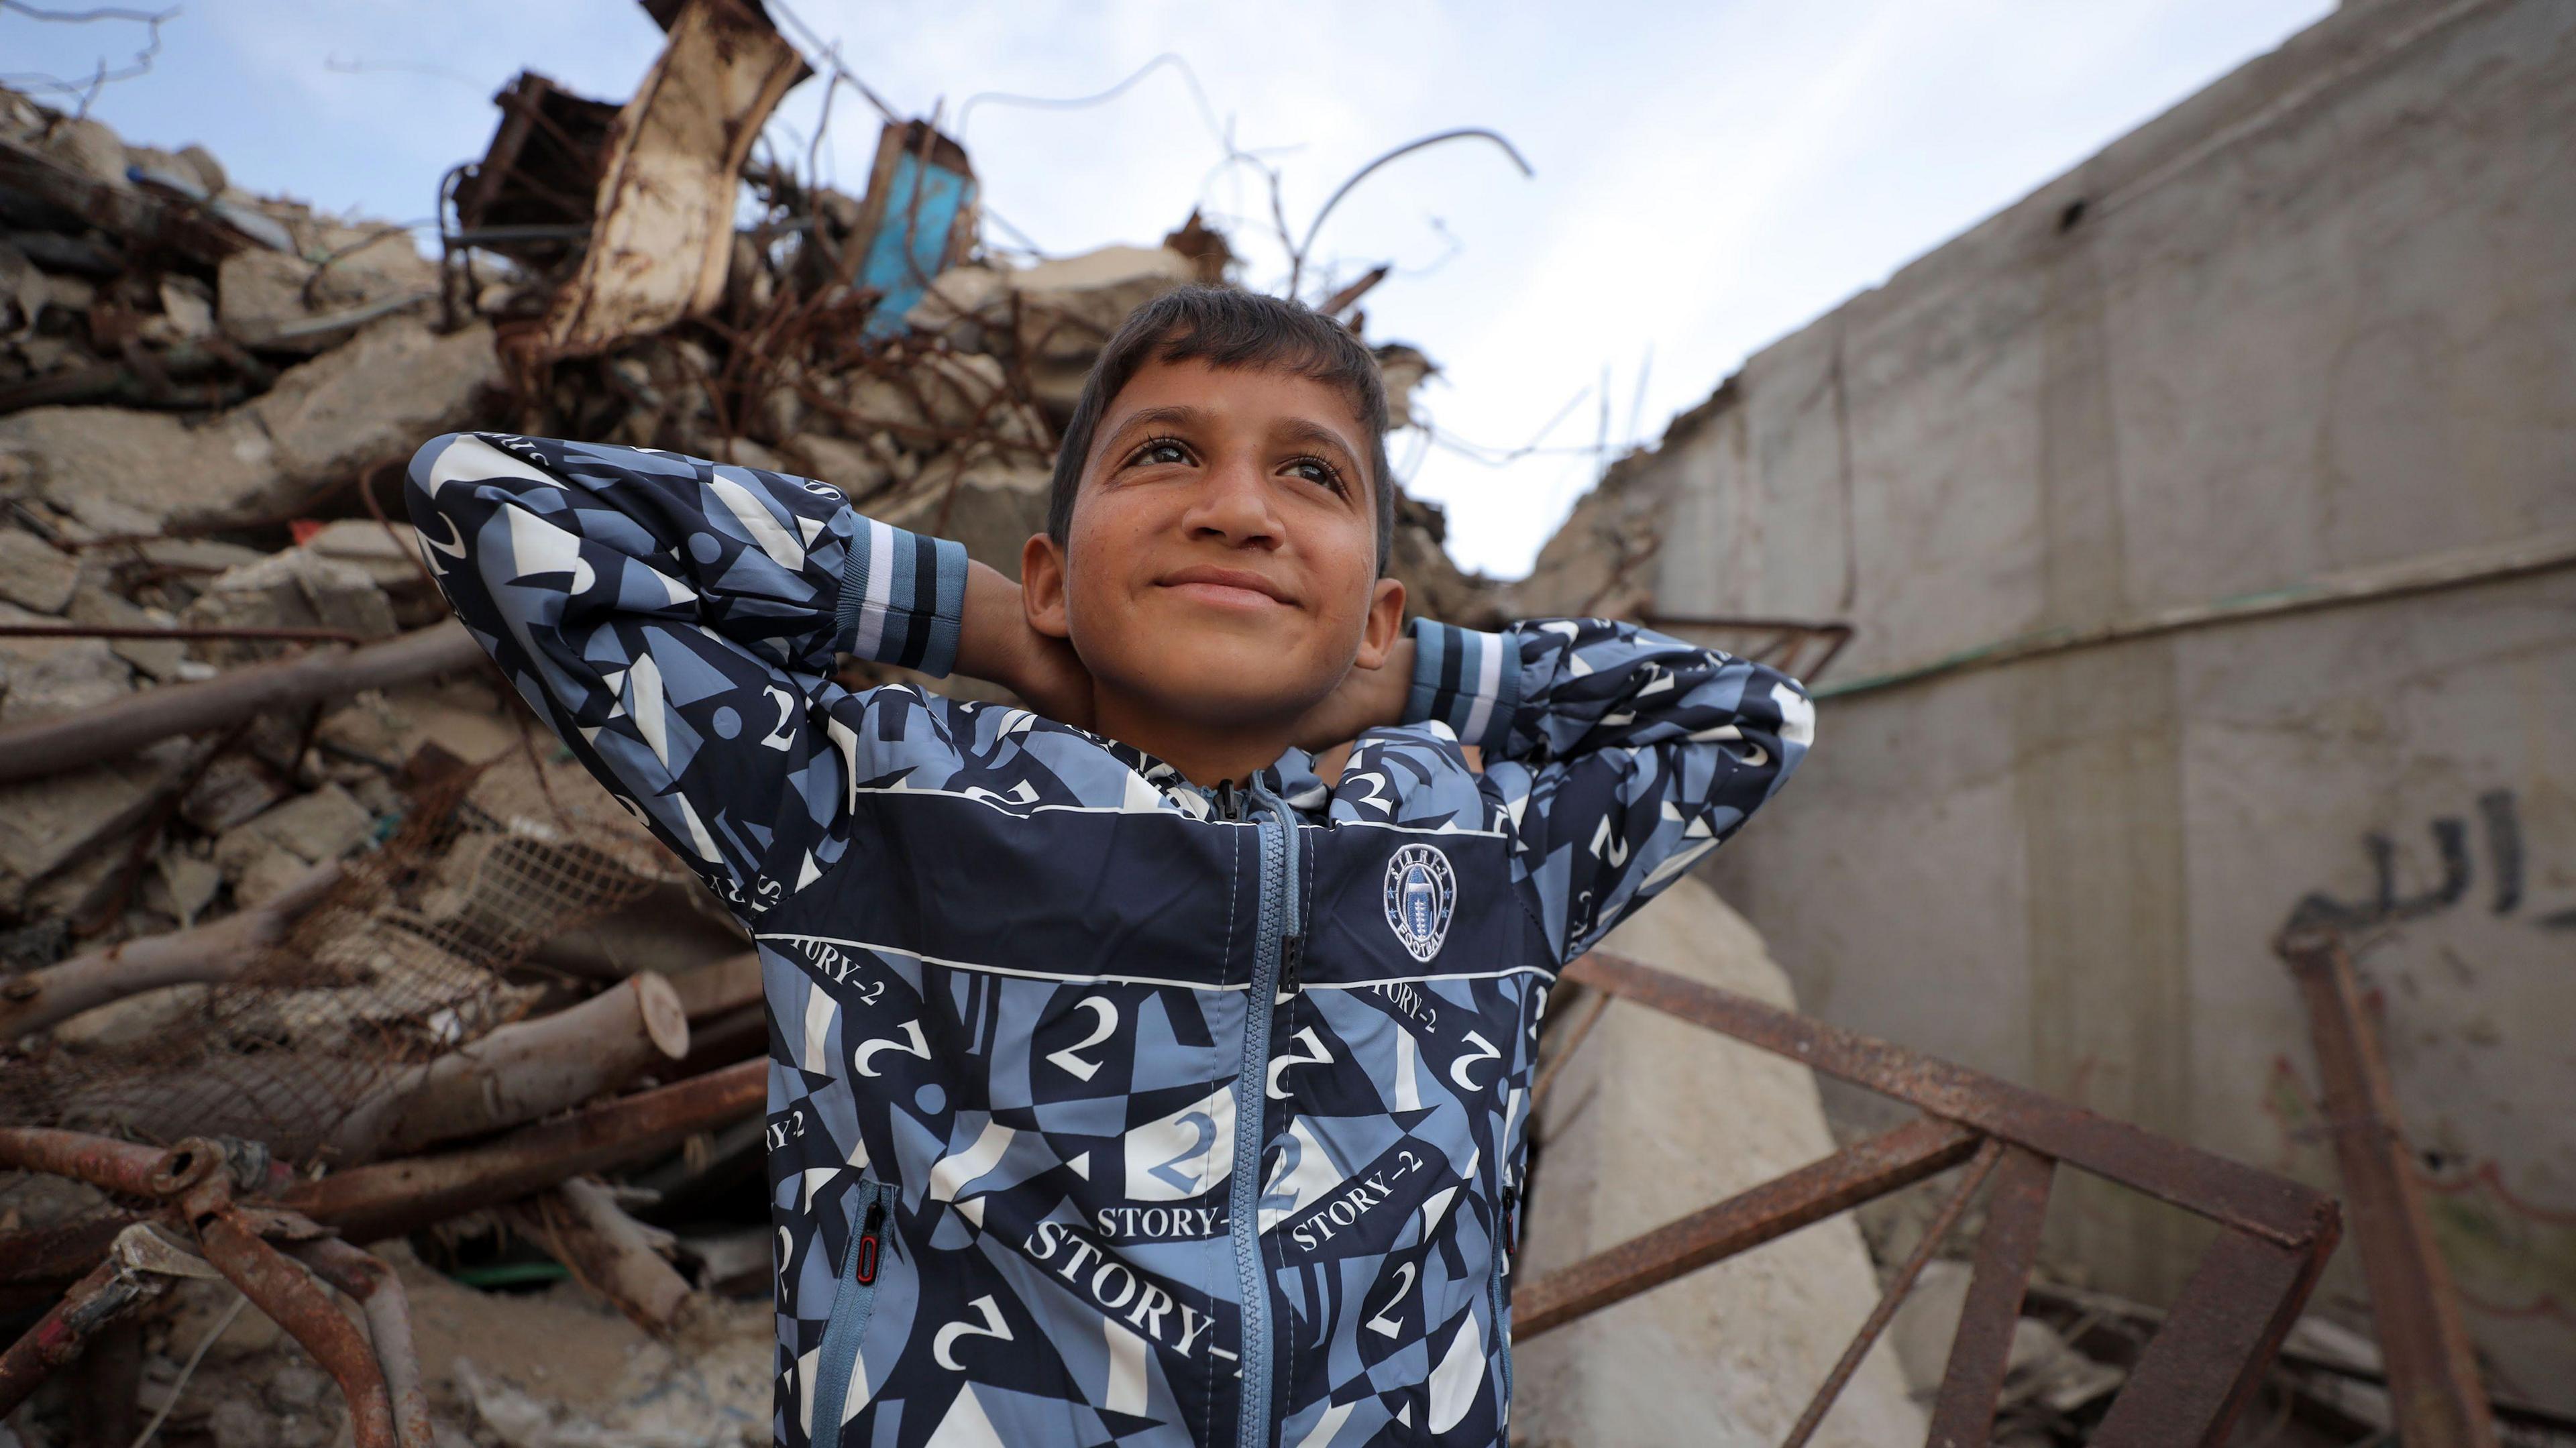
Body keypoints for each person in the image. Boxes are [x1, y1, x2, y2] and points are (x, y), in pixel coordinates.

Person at [407, 286, 1813, 1448]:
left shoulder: (1489, 852)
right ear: (1056, 570)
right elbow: (493, 503)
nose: (1238, 512)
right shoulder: (866, 809)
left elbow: (1754, 721)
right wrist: (990, 626)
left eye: (1311, 476)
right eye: (1164, 457)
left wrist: (1403, 683)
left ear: (1379, 613)